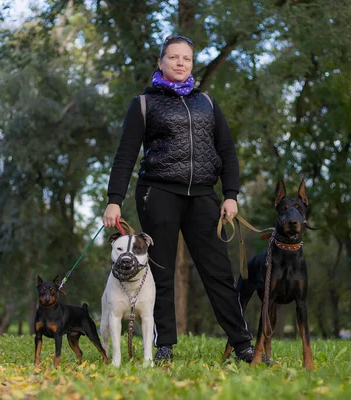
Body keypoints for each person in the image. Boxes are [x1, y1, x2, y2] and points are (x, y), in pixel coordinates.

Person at [103, 35, 254, 363]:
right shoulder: (143, 104)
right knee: (161, 270)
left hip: (203, 195)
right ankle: (164, 345)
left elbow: (226, 150)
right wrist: (114, 199)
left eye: (186, 58)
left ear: (191, 63)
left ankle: (243, 345)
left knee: (217, 270)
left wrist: (230, 195)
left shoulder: (207, 103)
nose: (181, 63)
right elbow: (126, 154)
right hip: (158, 192)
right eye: (174, 57)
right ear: (161, 62)